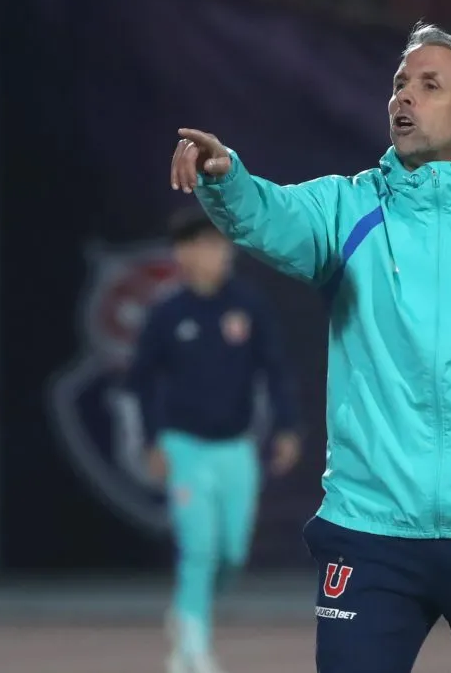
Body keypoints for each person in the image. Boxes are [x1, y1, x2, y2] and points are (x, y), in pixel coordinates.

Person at [170, 22, 451, 673]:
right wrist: (226, 178)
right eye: (400, 83)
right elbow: (270, 216)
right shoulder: (348, 209)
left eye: (430, 85)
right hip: (370, 532)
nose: (403, 97)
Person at [120, 207, 303, 673]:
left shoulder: (247, 306)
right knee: (198, 546)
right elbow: (141, 381)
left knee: (232, 552)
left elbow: (274, 369)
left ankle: (186, 614)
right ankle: (192, 646)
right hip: (185, 448)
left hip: (236, 448)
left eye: (222, 245)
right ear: (184, 253)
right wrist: (153, 441)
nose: (219, 255)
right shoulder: (167, 313)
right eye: (207, 246)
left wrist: (286, 427)